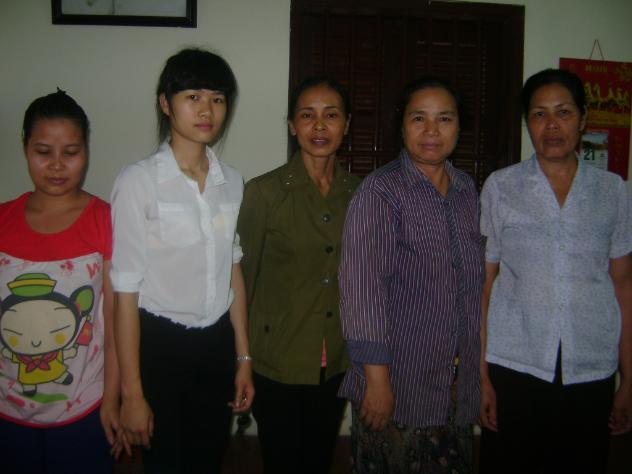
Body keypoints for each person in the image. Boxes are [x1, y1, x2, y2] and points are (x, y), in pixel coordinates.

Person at [478, 68, 632, 474]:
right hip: (515, 363)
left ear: (583, 118)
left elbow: (623, 285)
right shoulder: (501, 187)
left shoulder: (613, 191)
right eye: (539, 114)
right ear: (527, 122)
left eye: (563, 112)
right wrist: (481, 375)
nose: (551, 125)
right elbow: (485, 284)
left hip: (591, 366)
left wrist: (630, 380)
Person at [110, 48, 254, 473]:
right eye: (193, 96)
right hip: (159, 346)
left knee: (208, 459)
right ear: (165, 103)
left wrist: (243, 359)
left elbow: (233, 271)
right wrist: (131, 393)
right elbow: (125, 292)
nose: (207, 109)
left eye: (217, 98)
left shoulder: (232, 182)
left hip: (216, 344)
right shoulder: (138, 181)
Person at [338, 77, 484, 473]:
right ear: (402, 126)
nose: (431, 130)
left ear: (459, 126)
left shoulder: (467, 190)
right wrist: (377, 382)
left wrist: (476, 374)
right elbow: (362, 292)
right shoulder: (381, 191)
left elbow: (473, 290)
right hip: (398, 384)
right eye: (419, 118)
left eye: (444, 119)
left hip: (455, 385)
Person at [237, 76, 361, 474]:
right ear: (292, 125)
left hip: (336, 356)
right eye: (307, 115)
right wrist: (241, 358)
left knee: (319, 458)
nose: (319, 126)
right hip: (277, 358)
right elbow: (242, 280)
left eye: (331, 115)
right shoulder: (264, 193)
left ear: (346, 124)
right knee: (283, 461)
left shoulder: (361, 194)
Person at [0, 90, 122, 473]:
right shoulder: (2, 220)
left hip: (84, 406)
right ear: (24, 148)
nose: (56, 165)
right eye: (43, 151)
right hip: (6, 409)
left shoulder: (106, 221)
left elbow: (116, 323)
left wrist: (113, 399)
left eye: (70, 152)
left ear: (86, 151)